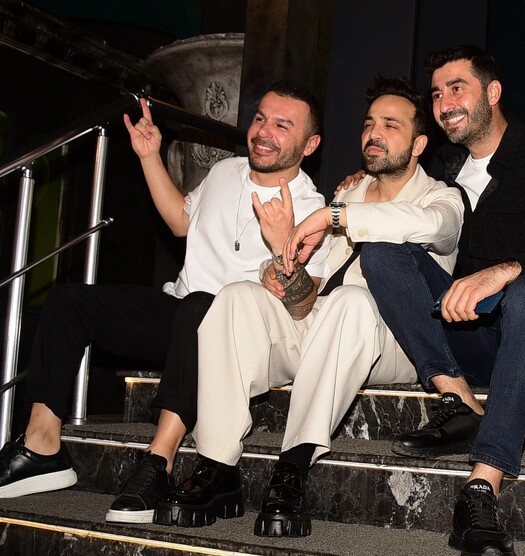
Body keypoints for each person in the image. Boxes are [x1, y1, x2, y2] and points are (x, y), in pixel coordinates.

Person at [0, 81, 332, 527]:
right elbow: (180, 221)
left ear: (310, 144)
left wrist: (282, 246)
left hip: (237, 342)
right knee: (68, 301)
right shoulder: (224, 171)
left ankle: (160, 460)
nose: (263, 131)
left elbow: (304, 302)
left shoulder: (312, 209)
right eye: (259, 118)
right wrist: (149, 156)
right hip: (180, 312)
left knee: (203, 306)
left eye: (282, 125)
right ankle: (42, 445)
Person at [148, 76, 464, 535]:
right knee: (235, 297)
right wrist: (281, 263)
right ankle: (217, 467)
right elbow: (305, 300)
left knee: (352, 301)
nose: (374, 133)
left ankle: (292, 467)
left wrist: (336, 215)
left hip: (393, 344)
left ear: (419, 144)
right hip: (326, 329)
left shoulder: (442, 197)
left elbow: (433, 226)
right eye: (369, 123)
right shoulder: (346, 193)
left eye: (390, 125)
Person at [352, 46, 525, 555]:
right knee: (381, 250)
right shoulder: (444, 175)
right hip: (479, 343)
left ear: (493, 92)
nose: (444, 103)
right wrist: (361, 185)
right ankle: (459, 399)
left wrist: (509, 269)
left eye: (457, 88)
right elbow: (399, 199)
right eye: (437, 93)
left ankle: (481, 487)